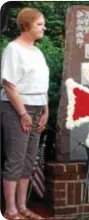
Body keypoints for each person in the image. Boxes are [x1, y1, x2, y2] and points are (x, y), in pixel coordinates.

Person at [0, 7, 49, 219]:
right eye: (39, 24)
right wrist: (22, 113)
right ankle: (10, 210)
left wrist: (45, 109)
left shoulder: (37, 52)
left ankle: (22, 206)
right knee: (16, 159)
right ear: (26, 25)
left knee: (29, 161)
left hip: (38, 108)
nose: (43, 28)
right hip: (17, 109)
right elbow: (9, 84)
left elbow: (40, 85)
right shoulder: (13, 49)